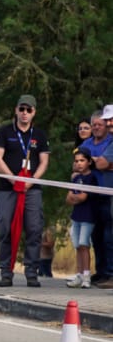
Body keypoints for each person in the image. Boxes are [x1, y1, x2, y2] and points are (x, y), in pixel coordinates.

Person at [0, 94, 50, 286]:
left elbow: (44, 162)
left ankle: (31, 271)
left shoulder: (39, 135)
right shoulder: (5, 131)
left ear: (34, 113)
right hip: (8, 189)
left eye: (29, 110)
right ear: (16, 110)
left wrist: (31, 181)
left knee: (34, 229)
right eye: (22, 109)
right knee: (6, 228)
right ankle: (6, 272)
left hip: (32, 189)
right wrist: (13, 179)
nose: (25, 113)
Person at [85, 107, 113, 288]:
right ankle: (104, 272)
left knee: (110, 236)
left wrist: (92, 160)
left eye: (110, 120)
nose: (109, 124)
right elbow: (102, 163)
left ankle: (110, 273)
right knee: (99, 236)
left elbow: (102, 163)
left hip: (109, 194)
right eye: (107, 120)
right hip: (98, 194)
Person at [66, 149, 99, 288]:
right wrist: (75, 198)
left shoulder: (91, 178)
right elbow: (69, 198)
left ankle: (86, 276)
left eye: (82, 160)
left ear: (89, 162)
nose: (79, 163)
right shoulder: (75, 178)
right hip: (76, 216)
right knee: (77, 246)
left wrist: (76, 197)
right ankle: (79, 275)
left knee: (84, 244)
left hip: (88, 216)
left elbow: (82, 197)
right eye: (76, 161)